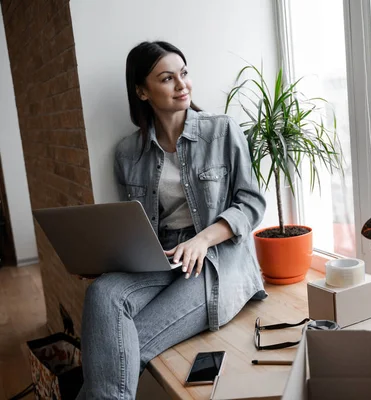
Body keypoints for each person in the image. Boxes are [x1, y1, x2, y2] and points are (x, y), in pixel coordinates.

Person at [76, 41, 267, 399]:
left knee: (123, 346)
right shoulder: (127, 153)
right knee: (101, 293)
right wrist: (104, 261)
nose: (182, 85)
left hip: (216, 260)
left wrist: (202, 240)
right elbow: (131, 224)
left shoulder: (222, 130)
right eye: (167, 78)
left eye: (184, 73)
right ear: (141, 91)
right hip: (160, 256)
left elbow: (251, 204)